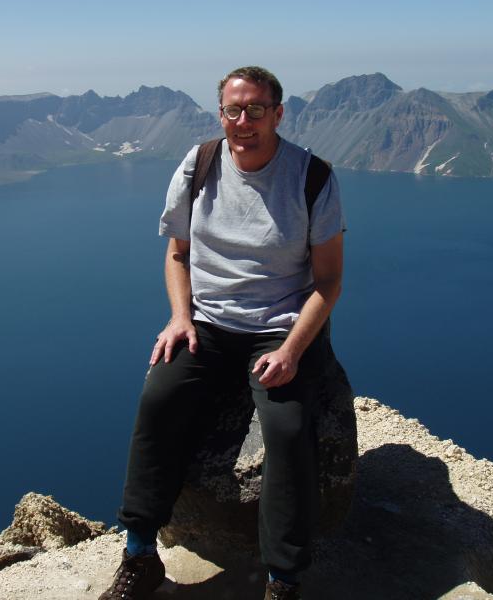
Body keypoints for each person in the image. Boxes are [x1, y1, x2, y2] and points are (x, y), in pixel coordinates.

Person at [99, 66, 345, 600]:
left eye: (257, 109)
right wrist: (180, 316)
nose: (244, 120)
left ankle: (283, 579)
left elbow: (327, 282)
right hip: (207, 323)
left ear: (279, 114)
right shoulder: (200, 163)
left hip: (276, 330)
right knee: (157, 401)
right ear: (221, 114)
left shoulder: (312, 177)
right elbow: (178, 253)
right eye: (234, 110)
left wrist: (292, 349)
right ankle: (140, 552)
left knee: (286, 431)